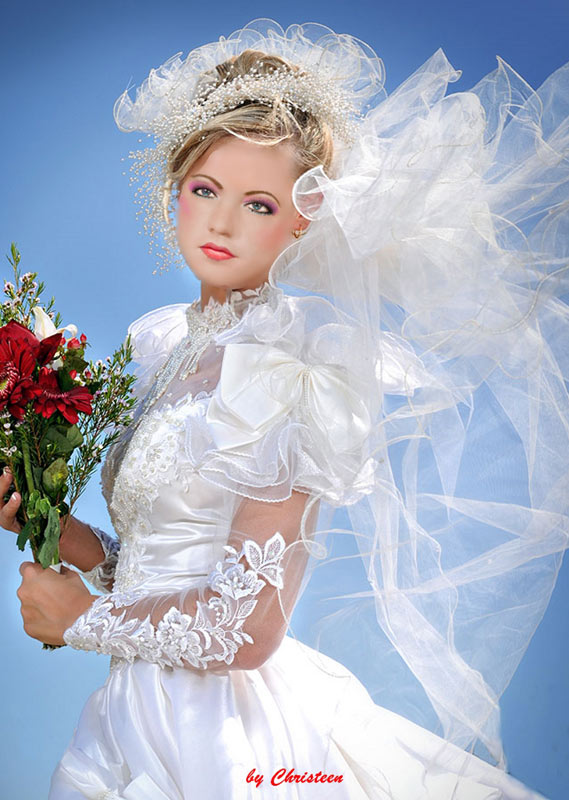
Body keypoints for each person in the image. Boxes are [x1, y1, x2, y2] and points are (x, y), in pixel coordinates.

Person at [9, 18, 569, 799]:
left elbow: (248, 628)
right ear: (173, 191)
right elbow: (158, 562)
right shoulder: (162, 344)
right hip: (134, 710)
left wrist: (81, 621)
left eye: (259, 204)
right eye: (205, 190)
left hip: (225, 736)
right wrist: (57, 529)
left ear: (304, 219)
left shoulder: (294, 363)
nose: (222, 222)